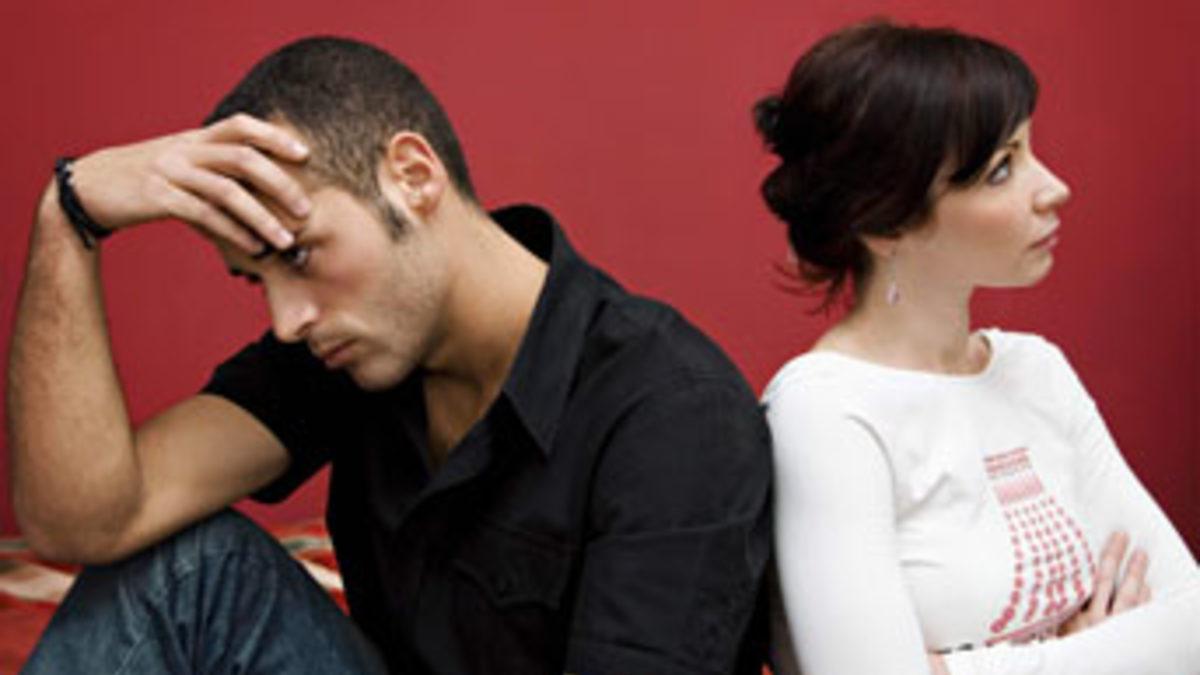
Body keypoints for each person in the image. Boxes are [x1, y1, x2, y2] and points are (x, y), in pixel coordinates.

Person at [8, 36, 772, 674]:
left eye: (300, 254)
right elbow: (83, 521)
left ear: (412, 177)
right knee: (189, 565)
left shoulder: (674, 415)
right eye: (255, 280)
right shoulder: (351, 347)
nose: (287, 321)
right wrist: (70, 214)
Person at [754, 20, 1200, 675]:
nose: (1054, 188)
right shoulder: (825, 412)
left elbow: (1193, 624)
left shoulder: (1036, 369)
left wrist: (958, 667)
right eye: (1001, 169)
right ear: (885, 223)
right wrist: (1111, 651)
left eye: (1029, 149)